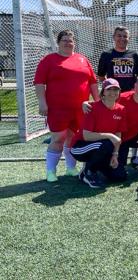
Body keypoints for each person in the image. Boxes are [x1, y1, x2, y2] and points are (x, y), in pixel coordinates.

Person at [34, 29, 99, 182]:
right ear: (58, 42)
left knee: (72, 138)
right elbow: (39, 83)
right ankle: (51, 172)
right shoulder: (49, 60)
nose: (68, 43)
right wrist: (42, 103)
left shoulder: (82, 59)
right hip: (57, 109)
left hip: (80, 109)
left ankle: (71, 168)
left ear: (74, 43)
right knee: (58, 139)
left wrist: (97, 102)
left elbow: (93, 82)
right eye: (64, 40)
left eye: (70, 40)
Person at [70, 78, 127, 188]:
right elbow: (86, 136)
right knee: (107, 143)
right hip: (80, 147)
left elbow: (118, 134)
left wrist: (115, 155)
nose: (113, 92)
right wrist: (110, 136)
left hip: (103, 147)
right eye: (109, 89)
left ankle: (94, 167)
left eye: (116, 89)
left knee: (120, 176)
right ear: (103, 92)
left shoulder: (121, 109)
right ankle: (88, 172)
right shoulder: (92, 108)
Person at [97, 26, 138, 92]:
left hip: (131, 94)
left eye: (125, 36)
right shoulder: (106, 54)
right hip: (113, 94)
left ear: (129, 38)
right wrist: (110, 86)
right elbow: (101, 76)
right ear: (114, 37)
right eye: (119, 36)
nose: (122, 38)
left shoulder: (135, 55)